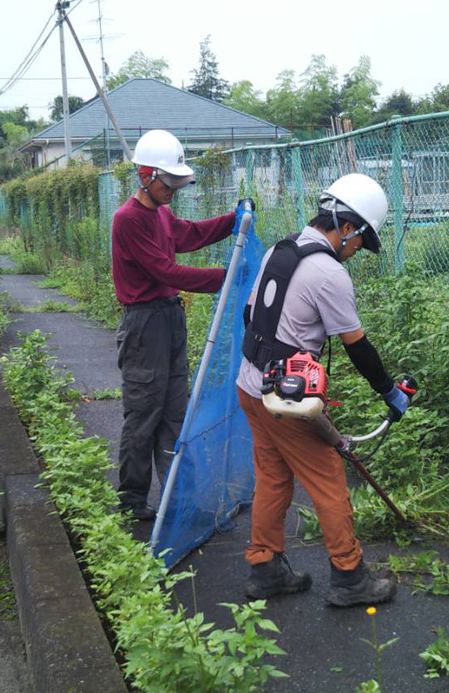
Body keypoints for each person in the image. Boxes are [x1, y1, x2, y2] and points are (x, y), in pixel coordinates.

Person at [235, 173, 411, 607]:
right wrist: (390, 392)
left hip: (249, 384)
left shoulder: (281, 248)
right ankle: (351, 578)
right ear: (347, 227)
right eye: (359, 242)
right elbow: (358, 347)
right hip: (286, 401)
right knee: (330, 480)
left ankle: (266, 568)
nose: (355, 252)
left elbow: (249, 313)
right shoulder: (329, 272)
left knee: (273, 478)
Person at [110, 129, 250, 521]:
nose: (174, 188)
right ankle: (133, 500)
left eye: (177, 181)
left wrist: (233, 220)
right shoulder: (128, 221)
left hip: (170, 317)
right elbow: (165, 269)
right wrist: (225, 276)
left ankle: (179, 496)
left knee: (175, 412)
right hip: (143, 325)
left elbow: (190, 234)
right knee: (143, 412)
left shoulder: (162, 215)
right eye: (168, 181)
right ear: (145, 175)